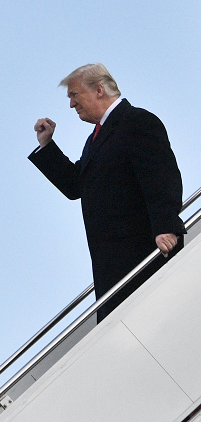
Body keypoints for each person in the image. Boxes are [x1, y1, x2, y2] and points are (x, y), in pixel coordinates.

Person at [29, 63, 186, 322]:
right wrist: (47, 146)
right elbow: (75, 186)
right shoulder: (94, 140)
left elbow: (162, 176)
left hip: (143, 253)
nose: (71, 104)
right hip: (111, 266)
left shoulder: (137, 121)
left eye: (74, 95)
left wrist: (166, 226)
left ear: (99, 89)